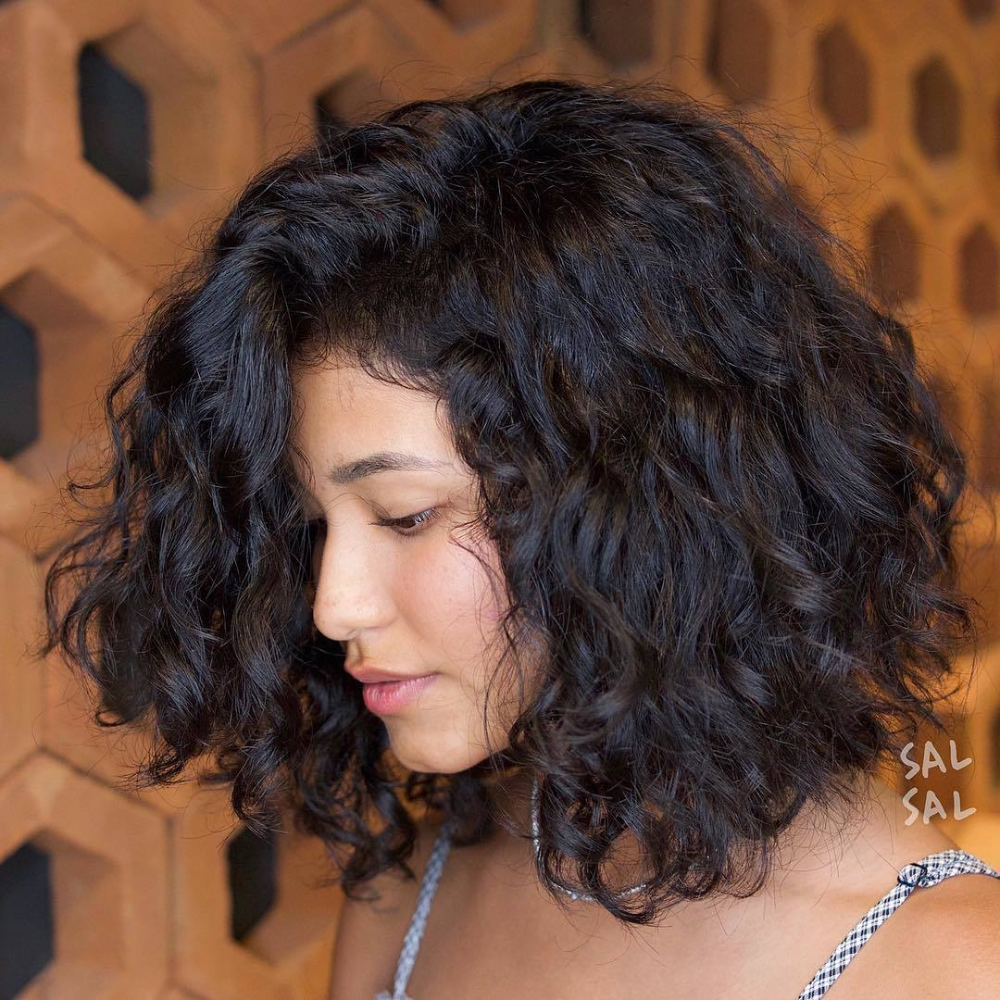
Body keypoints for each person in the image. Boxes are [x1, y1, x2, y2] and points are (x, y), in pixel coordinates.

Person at [40, 78, 1000, 999]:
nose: (334, 606)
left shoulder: (953, 967)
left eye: (406, 515)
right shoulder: (418, 889)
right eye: (312, 525)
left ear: (646, 506)